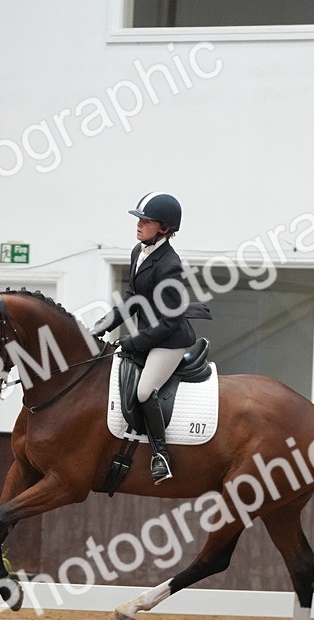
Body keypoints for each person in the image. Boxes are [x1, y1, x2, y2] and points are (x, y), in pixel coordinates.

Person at [91, 192, 211, 484]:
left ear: (164, 229)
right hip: (149, 332)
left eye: (146, 220)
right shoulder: (138, 252)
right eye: (139, 219)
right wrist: (105, 324)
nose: (139, 224)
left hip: (170, 340)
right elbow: (133, 297)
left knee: (144, 391)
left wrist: (133, 341)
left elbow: (169, 323)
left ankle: (161, 457)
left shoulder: (170, 265)